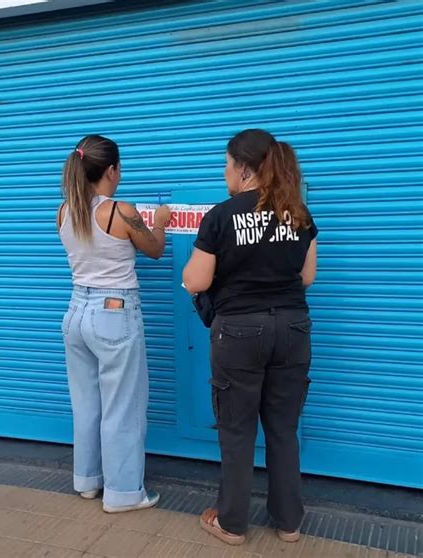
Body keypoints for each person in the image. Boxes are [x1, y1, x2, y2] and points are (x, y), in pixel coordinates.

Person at [183, 129, 318, 545]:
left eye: (226, 164)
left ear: (244, 169)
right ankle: (289, 523)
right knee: (282, 428)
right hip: (293, 328)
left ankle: (232, 523)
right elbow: (307, 277)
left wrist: (191, 275)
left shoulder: (221, 216)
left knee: (237, 430)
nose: (225, 173)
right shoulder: (298, 213)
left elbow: (198, 279)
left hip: (240, 332)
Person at [57, 134, 170, 513]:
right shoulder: (121, 211)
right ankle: (124, 493)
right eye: (119, 169)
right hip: (114, 314)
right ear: (111, 170)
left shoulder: (64, 211)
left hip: (75, 313)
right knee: (123, 405)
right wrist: (161, 223)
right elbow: (154, 250)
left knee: (86, 403)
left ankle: (88, 481)